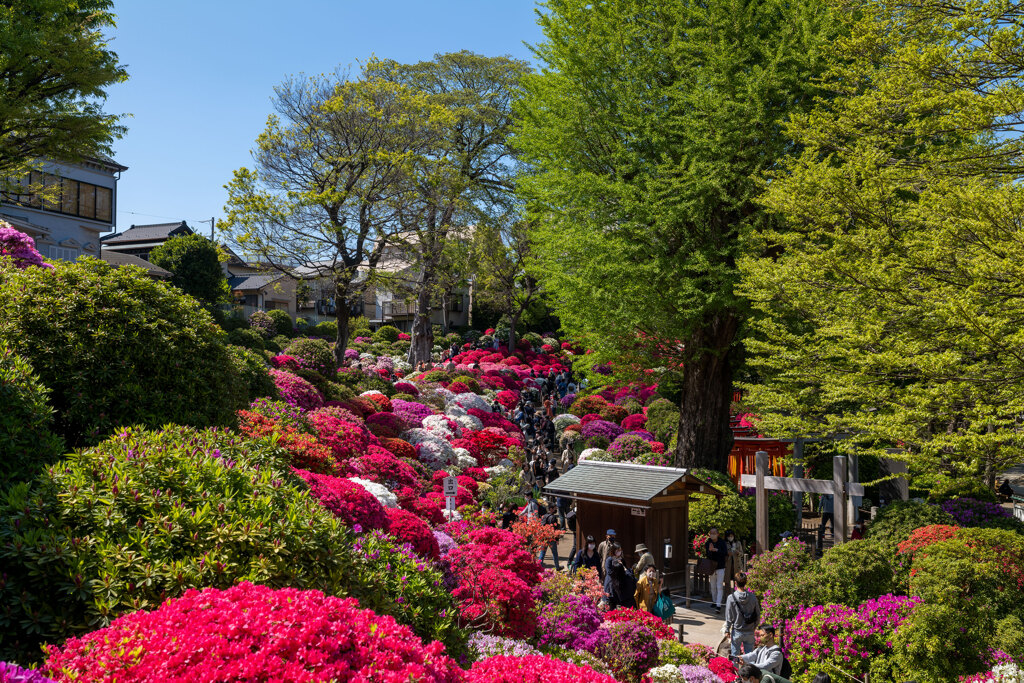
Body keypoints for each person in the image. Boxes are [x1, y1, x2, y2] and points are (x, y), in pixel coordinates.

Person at [724, 572, 760, 656]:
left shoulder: (731, 598)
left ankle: (735, 669)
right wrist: (754, 626)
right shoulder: (752, 597)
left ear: (735, 583)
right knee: (749, 657)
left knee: (735, 656)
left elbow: (729, 616)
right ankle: (748, 669)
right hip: (750, 631)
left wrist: (727, 629)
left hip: (737, 631)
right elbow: (758, 614)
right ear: (745, 583)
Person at [704, 527, 729, 611]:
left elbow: (725, 553)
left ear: (718, 534)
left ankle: (718, 605)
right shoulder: (708, 543)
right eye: (711, 533)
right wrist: (710, 550)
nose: (712, 535)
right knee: (713, 586)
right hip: (711, 567)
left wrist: (716, 550)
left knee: (719, 586)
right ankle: (714, 602)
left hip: (720, 567)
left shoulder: (722, 542)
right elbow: (707, 555)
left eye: (714, 533)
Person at [605, 545, 636, 609]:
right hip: (612, 580)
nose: (619, 552)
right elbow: (609, 572)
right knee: (612, 600)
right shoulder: (609, 559)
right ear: (613, 550)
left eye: (620, 550)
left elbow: (624, 569)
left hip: (621, 581)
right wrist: (616, 573)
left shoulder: (622, 559)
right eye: (617, 550)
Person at [537, 504, 563, 571]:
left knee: (542, 553)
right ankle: (557, 567)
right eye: (554, 508)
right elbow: (554, 529)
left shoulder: (544, 516)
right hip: (551, 538)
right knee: (554, 553)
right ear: (551, 509)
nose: (555, 510)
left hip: (544, 537)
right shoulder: (553, 517)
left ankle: (538, 566)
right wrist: (557, 538)